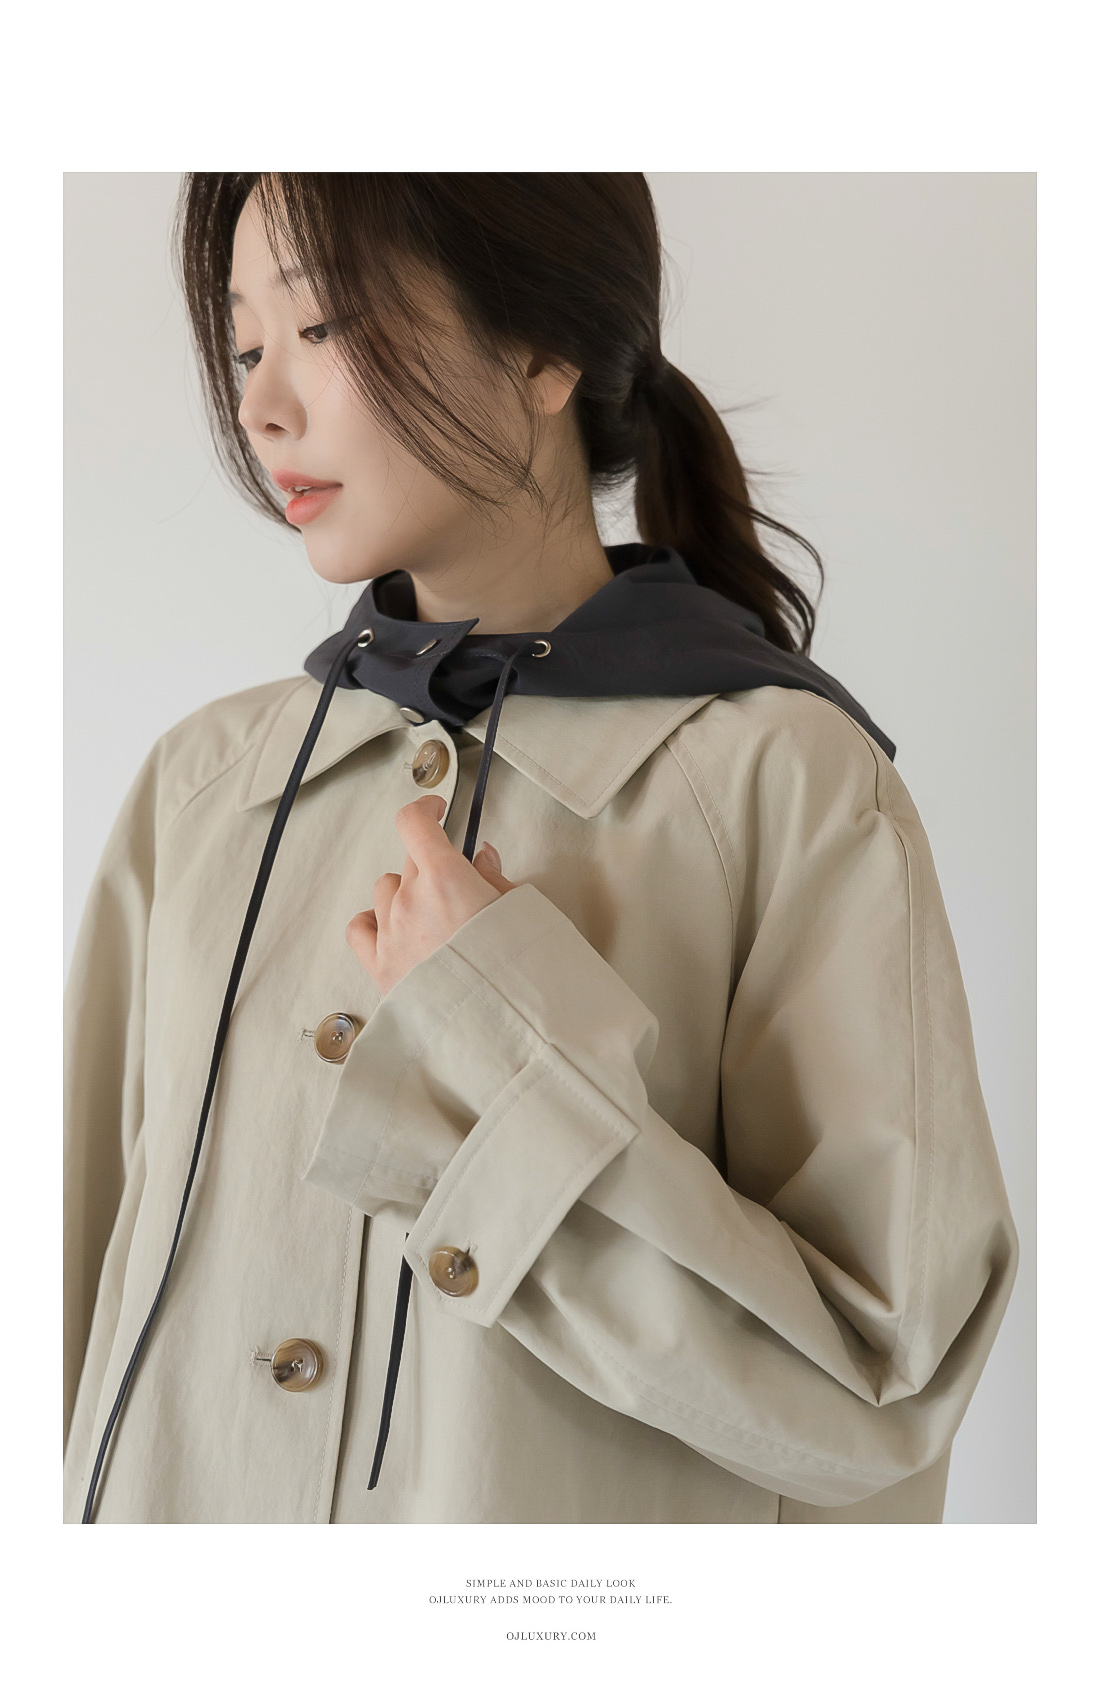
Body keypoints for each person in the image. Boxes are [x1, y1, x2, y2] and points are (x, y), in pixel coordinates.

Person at [64, 172, 1018, 1525]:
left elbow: (884, 1398)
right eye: (243, 345)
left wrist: (496, 1033)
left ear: (540, 352)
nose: (262, 404)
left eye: (323, 326)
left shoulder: (790, 790)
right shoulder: (202, 792)